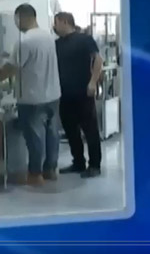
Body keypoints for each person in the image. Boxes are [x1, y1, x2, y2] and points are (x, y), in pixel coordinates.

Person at [0, 3, 62, 186]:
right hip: (53, 94)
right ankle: (50, 170)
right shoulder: (48, 37)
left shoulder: (24, 41)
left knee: (35, 138)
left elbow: (12, 67)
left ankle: (35, 174)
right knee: (52, 135)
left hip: (32, 98)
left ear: (21, 18)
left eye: (16, 20)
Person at [53, 12, 103, 178]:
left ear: (65, 22)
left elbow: (98, 59)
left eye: (56, 22)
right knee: (70, 130)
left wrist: (93, 82)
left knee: (90, 130)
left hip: (83, 91)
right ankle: (78, 162)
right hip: (64, 93)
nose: (54, 26)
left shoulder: (85, 40)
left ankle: (94, 165)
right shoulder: (57, 44)